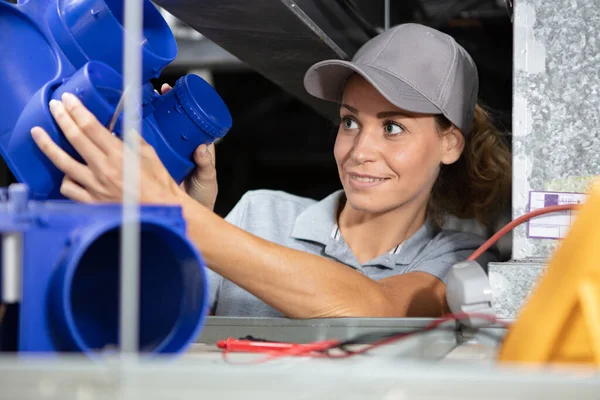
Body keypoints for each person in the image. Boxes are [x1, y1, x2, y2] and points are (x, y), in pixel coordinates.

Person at [29, 23, 511, 318]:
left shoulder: (464, 260)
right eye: (349, 121)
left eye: (393, 128)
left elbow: (373, 306)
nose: (360, 150)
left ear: (449, 143)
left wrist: (178, 215)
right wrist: (166, 230)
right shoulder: (261, 213)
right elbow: (156, 321)